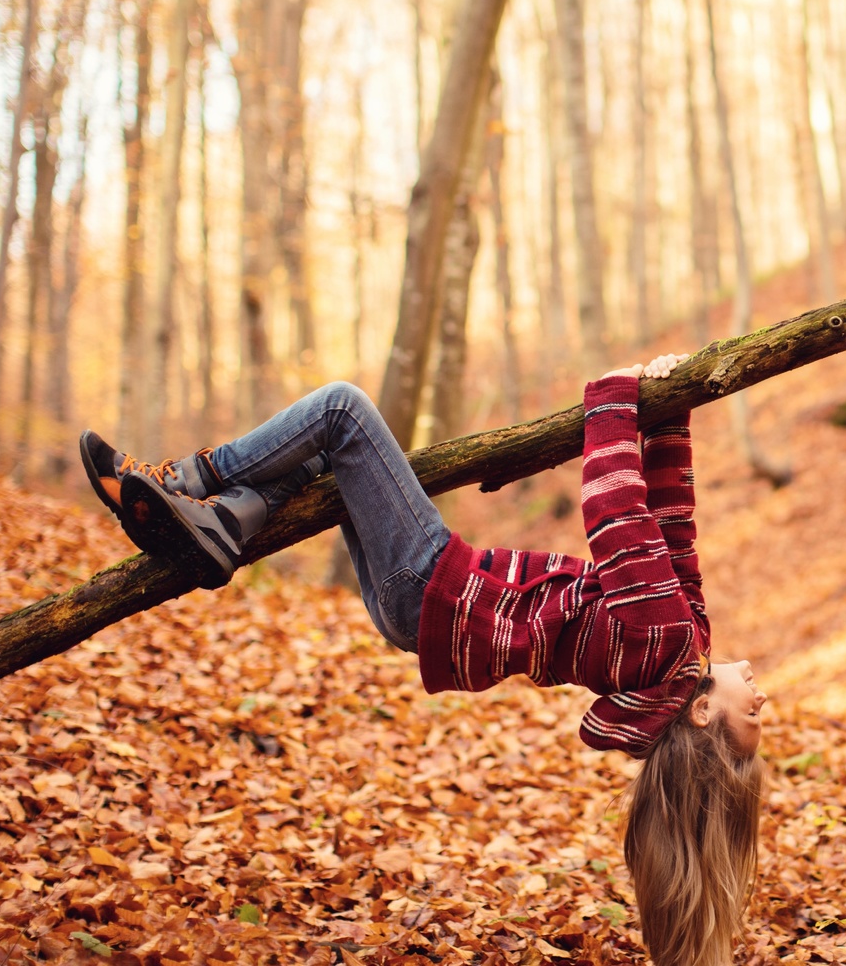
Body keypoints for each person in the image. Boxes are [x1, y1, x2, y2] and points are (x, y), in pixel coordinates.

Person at [78, 354, 764, 966]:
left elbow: (618, 515)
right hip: (419, 613)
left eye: (751, 722)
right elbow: (674, 526)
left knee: (341, 411)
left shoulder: (663, 637)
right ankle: (224, 523)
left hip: (433, 584)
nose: (763, 699)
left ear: (703, 711)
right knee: (318, 458)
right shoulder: (684, 641)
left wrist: (614, 396)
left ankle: (188, 478)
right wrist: (670, 408)